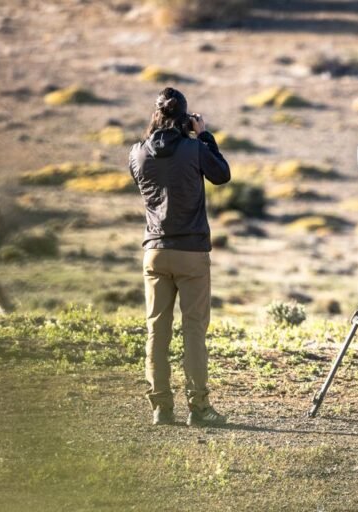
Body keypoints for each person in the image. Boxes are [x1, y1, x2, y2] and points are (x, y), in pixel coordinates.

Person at [129, 87, 231, 426]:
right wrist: (205, 138)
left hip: (155, 251)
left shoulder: (137, 153)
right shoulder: (194, 149)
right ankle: (199, 408)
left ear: (156, 115)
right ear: (185, 117)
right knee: (194, 331)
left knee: (157, 331)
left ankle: (161, 407)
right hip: (192, 253)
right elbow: (221, 175)